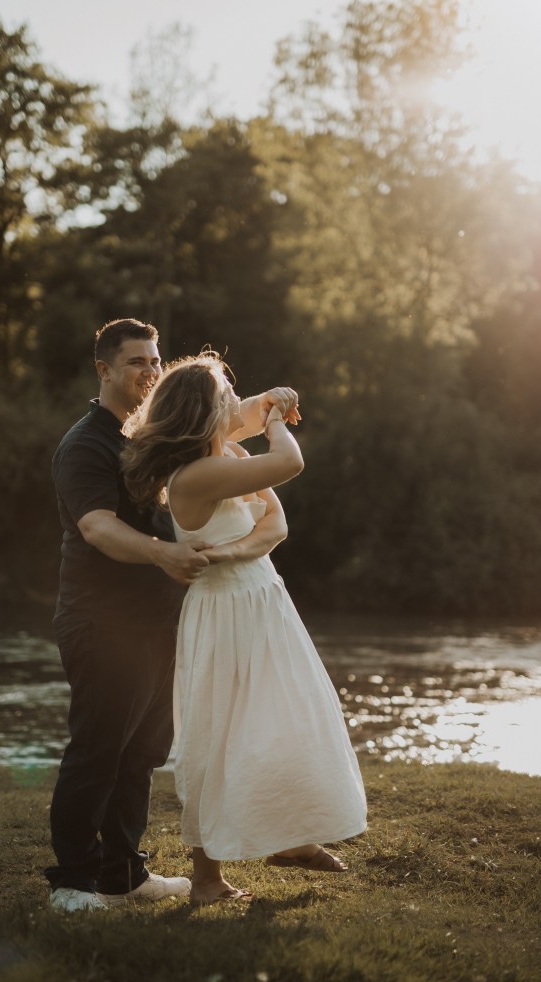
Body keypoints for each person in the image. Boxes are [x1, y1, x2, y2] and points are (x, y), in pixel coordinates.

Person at [47, 318, 299, 912]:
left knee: (143, 753)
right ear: (104, 370)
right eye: (136, 362)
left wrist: (272, 401)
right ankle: (72, 882)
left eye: (155, 362)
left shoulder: (150, 432)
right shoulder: (85, 444)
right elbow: (95, 525)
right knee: (99, 749)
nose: (149, 371)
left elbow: (223, 419)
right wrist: (163, 552)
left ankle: (124, 875)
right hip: (103, 621)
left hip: (163, 622)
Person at [122, 353, 367, 905]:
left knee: (286, 717)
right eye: (224, 398)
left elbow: (275, 524)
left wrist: (231, 550)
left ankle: (293, 839)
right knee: (220, 734)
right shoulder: (200, 474)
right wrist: (276, 417)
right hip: (225, 611)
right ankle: (206, 879)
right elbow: (289, 462)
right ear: (204, 413)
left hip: (261, 598)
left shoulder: (226, 454)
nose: (235, 405)